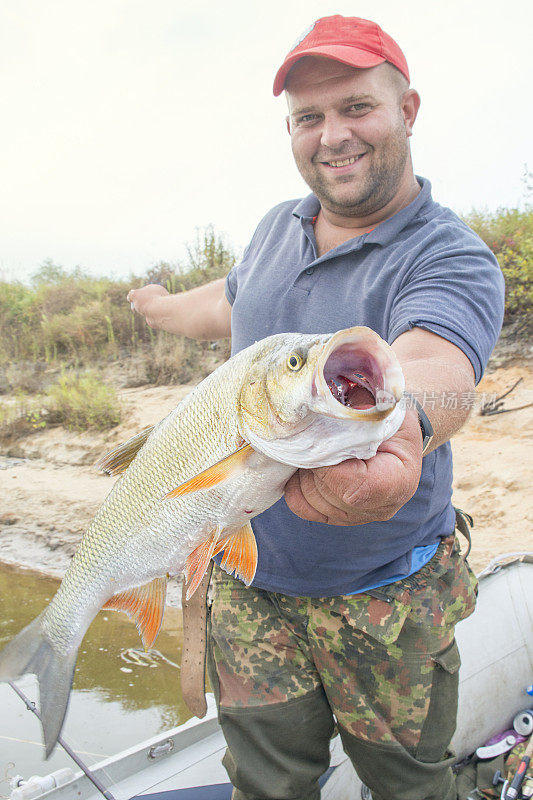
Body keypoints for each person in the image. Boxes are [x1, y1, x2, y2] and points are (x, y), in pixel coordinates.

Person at [128, 15, 505, 800]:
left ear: (408, 110)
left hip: (386, 602)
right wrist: (158, 306)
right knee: (266, 785)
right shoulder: (276, 228)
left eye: (356, 107)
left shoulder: (447, 253)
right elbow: (228, 300)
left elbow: (436, 367)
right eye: (308, 117)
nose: (331, 135)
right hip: (248, 591)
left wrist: (402, 429)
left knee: (408, 787)